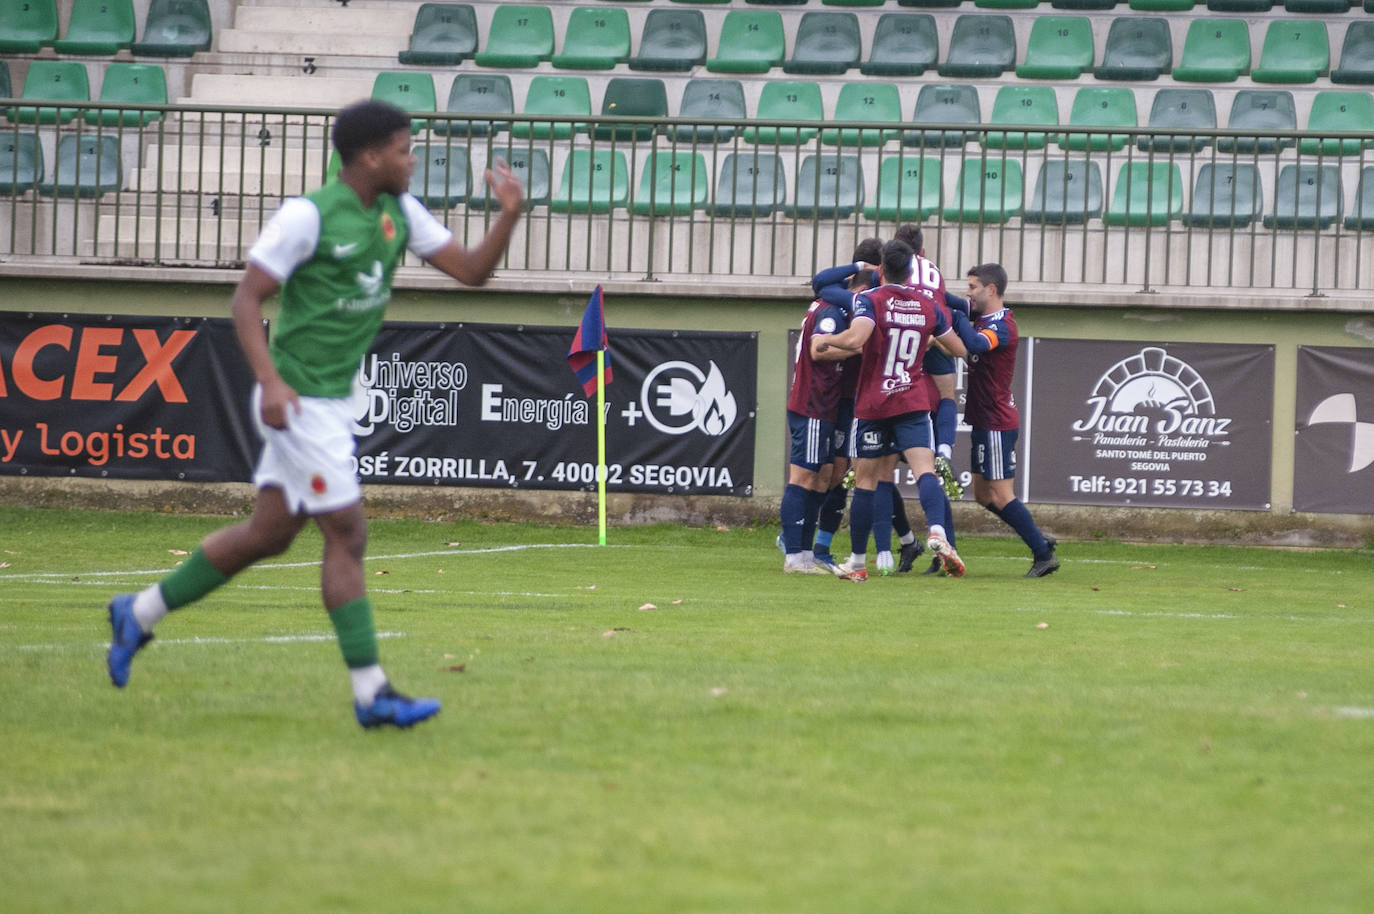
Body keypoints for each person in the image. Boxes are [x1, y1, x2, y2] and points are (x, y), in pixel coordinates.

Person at [105, 100, 525, 728]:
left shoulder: (399, 213)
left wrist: (508, 217)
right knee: (348, 534)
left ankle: (136, 615)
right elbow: (246, 301)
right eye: (406, 150)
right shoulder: (307, 216)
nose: (414, 161)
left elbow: (471, 272)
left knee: (268, 536)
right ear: (370, 156)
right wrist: (270, 383)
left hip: (329, 400)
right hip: (297, 400)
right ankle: (372, 694)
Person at [815, 240, 969, 582]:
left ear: (880, 270)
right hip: (912, 401)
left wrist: (827, 341)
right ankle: (938, 532)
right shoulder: (928, 305)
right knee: (925, 471)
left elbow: (855, 340)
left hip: (873, 403)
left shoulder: (870, 300)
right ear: (911, 271)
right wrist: (933, 335)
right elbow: (958, 348)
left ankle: (857, 561)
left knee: (866, 482)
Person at [949, 263, 1059, 578]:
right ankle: (1036, 537)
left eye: (972, 287)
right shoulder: (981, 315)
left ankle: (1042, 554)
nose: (967, 294)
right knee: (982, 495)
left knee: (1001, 493)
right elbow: (948, 302)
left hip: (998, 421)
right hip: (984, 418)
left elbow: (976, 345)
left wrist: (957, 319)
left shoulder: (1002, 325)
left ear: (991, 290)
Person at [779, 260, 857, 574]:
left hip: (827, 405)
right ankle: (794, 555)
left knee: (824, 477)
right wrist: (859, 349)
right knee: (804, 477)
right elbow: (817, 351)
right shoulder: (832, 311)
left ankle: (807, 553)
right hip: (812, 403)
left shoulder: (841, 308)